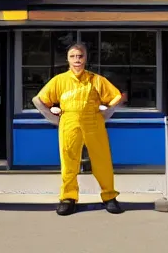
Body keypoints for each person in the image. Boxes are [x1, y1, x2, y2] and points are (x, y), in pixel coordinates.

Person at [32, 43, 126, 216]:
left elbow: (116, 97)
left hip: (93, 122)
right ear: (67, 59)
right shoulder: (59, 81)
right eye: (73, 56)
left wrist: (106, 113)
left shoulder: (96, 80)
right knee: (69, 161)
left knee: (102, 160)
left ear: (85, 58)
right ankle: (68, 198)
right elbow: (39, 100)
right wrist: (52, 115)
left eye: (80, 56)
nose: (77, 60)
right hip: (69, 122)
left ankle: (109, 196)